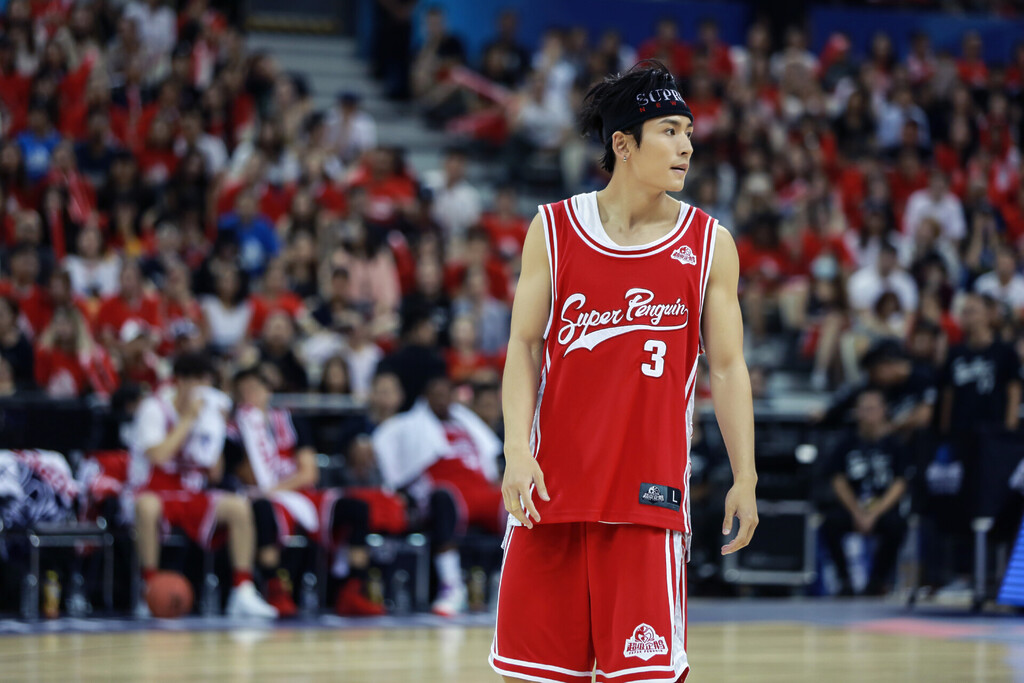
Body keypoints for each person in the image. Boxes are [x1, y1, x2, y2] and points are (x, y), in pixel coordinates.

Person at [491, 62, 757, 683]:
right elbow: (523, 347)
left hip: (646, 503)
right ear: (623, 143)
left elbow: (727, 367)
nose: (686, 146)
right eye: (669, 131)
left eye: (688, 132)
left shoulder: (709, 243)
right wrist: (515, 451)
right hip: (548, 498)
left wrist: (744, 475)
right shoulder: (553, 230)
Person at [130, 352, 277, 618]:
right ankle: (148, 587)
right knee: (146, 506)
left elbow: (214, 473)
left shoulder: (206, 414)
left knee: (238, 507)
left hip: (190, 491)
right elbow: (158, 455)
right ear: (180, 381)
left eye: (207, 382)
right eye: (198, 381)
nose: (203, 389)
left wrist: (215, 429)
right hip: (154, 489)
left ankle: (242, 590)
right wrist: (187, 420)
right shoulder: (154, 408)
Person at [372, 374, 505, 616]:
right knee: (442, 500)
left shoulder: (466, 425)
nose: (443, 400)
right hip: (450, 493)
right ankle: (451, 586)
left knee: (518, 501)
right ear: (426, 398)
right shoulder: (410, 426)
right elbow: (390, 451)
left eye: (447, 394)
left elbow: (488, 459)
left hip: (481, 489)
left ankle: (509, 584)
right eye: (437, 395)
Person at [820, 390, 909, 596]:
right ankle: (844, 580)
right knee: (829, 524)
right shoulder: (846, 443)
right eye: (863, 409)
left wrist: (874, 513)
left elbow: (900, 482)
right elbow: (837, 479)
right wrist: (857, 512)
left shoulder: (895, 444)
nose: (868, 414)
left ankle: (878, 580)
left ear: (883, 410)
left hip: (882, 507)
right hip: (853, 506)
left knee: (897, 526)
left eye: (872, 409)